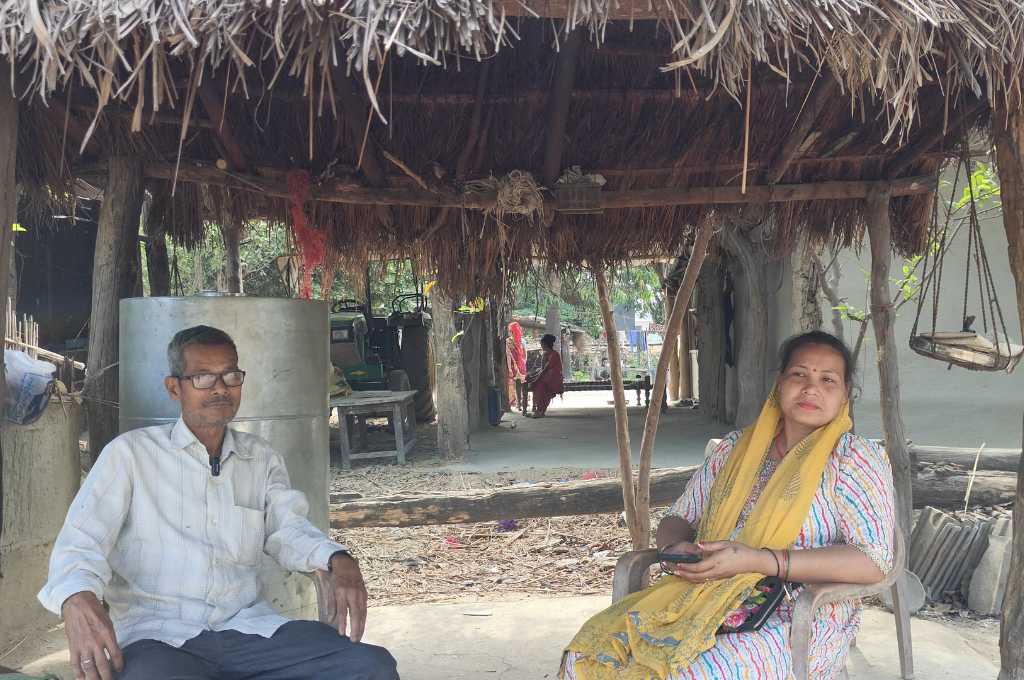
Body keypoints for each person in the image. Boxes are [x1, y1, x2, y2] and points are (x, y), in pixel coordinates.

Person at [39, 325, 399, 680]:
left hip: (249, 630)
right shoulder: (130, 455)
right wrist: (76, 596)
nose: (220, 389)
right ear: (173, 388)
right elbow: (81, 541)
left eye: (230, 376)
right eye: (203, 378)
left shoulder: (259, 457)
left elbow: (288, 530)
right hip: (159, 637)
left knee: (371, 667)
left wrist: (337, 557)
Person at [561, 330, 895, 680]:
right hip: (697, 595)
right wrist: (676, 549)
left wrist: (759, 560)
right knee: (586, 656)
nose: (811, 388)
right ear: (779, 384)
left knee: (695, 672)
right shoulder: (734, 449)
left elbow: (873, 561)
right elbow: (679, 517)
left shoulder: (854, 458)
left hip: (797, 610)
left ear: (844, 395)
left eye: (828, 379)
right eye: (799, 374)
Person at [526, 333, 565, 418]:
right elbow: (542, 369)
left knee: (539, 385)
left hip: (554, 379)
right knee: (537, 383)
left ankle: (540, 410)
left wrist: (536, 380)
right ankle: (540, 410)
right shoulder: (545, 354)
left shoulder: (554, 354)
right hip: (548, 377)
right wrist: (534, 377)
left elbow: (545, 369)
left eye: (542, 344)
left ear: (545, 344)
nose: (541, 345)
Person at [506, 321, 527, 408]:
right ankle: (520, 403)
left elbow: (508, 355)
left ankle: (518, 403)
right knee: (521, 385)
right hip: (522, 366)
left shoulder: (508, 341)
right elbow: (525, 354)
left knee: (515, 385)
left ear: (511, 331)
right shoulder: (522, 341)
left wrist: (510, 368)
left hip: (513, 366)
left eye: (510, 331)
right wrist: (523, 363)